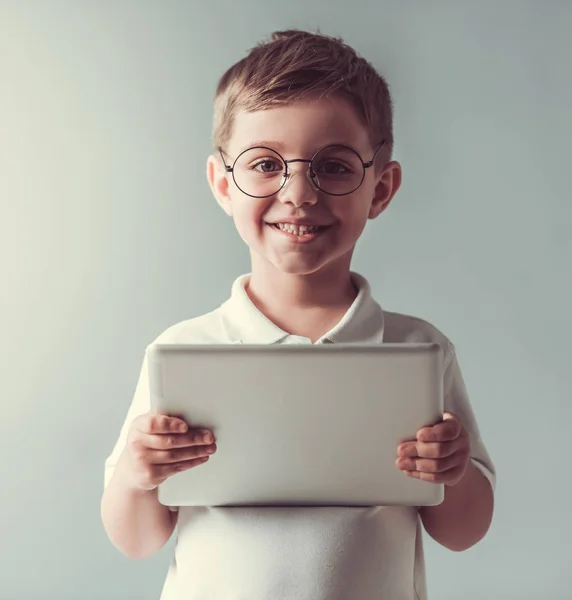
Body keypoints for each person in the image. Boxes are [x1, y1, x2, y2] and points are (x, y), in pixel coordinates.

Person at [101, 29, 495, 600]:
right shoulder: (186, 349)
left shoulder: (415, 349)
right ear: (222, 183)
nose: (299, 192)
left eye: (334, 168)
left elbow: (463, 531)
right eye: (264, 163)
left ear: (380, 189)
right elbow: (136, 540)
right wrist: (139, 475)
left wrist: (453, 472)